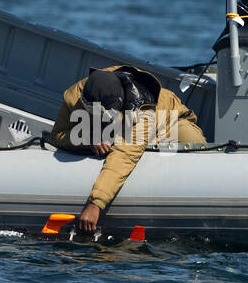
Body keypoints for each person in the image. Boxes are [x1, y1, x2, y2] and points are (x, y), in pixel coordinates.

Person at [48, 65, 206, 232]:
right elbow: (59, 134)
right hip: (123, 125)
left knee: (193, 141)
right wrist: (88, 139)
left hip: (169, 122)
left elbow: (123, 156)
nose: (96, 119)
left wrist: (96, 204)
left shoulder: (144, 112)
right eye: (92, 115)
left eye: (101, 117)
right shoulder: (77, 94)